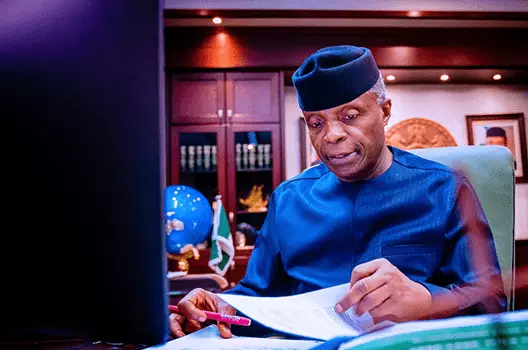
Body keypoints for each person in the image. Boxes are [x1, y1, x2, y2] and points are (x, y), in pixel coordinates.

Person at [169, 45, 506, 340]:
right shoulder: (289, 200)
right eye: (316, 123)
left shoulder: (444, 189)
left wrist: (427, 301)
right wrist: (219, 309)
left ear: (385, 111)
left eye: (350, 116)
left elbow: (489, 298)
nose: (331, 135)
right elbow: (259, 295)